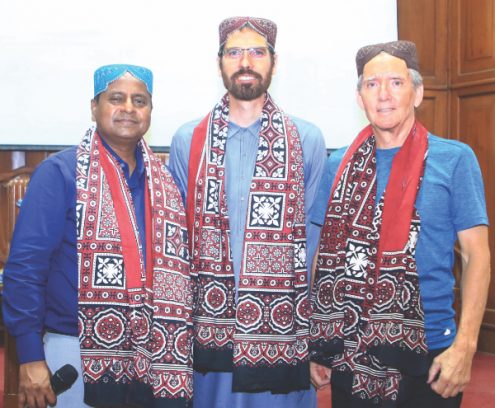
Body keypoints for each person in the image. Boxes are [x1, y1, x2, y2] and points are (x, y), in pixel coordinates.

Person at [309, 41, 490, 407]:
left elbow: (476, 256)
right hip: (350, 347)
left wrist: (466, 347)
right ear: (360, 98)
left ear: (418, 92)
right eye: (372, 84)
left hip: (432, 350)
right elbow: (320, 255)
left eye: (396, 82)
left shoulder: (454, 159)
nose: (384, 95)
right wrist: (318, 340)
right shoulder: (337, 165)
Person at [3, 64, 193, 408]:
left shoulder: (165, 183)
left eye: (140, 100)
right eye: (116, 98)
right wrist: (30, 357)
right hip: (74, 349)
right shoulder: (59, 173)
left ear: (150, 111)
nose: (129, 109)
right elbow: (24, 270)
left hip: (155, 353)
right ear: (95, 107)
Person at [168, 16, 327, 408]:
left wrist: (316, 336)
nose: (246, 61)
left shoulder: (306, 138)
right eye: (235, 52)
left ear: (274, 62)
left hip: (282, 328)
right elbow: (175, 240)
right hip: (208, 325)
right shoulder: (189, 139)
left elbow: (315, 242)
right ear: (219, 62)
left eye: (257, 51)